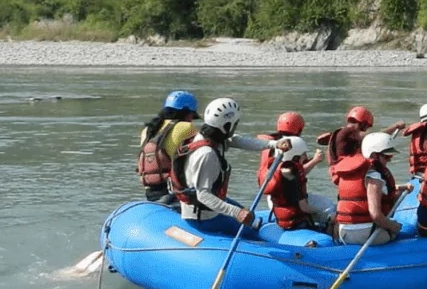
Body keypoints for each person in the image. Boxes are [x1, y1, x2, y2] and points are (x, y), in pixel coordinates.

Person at [168, 97, 291, 234]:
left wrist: (273, 144)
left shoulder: (211, 138)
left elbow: (239, 141)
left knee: (252, 219)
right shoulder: (207, 154)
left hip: (207, 207)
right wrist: (236, 212)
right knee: (251, 232)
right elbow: (203, 195)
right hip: (203, 218)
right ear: (227, 125)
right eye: (235, 123)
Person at [331, 132, 414, 245]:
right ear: (374, 156)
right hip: (366, 234)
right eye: (387, 156)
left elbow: (365, 192)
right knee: (395, 231)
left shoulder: (351, 172)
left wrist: (401, 187)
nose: (389, 160)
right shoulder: (374, 176)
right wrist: (394, 227)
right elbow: (376, 215)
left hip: (344, 233)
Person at [257, 111, 333, 225]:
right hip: (292, 205)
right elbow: (295, 175)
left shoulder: (272, 144)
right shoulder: (293, 147)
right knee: (328, 206)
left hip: (274, 200)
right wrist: (314, 161)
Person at [137, 90, 200, 202]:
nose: (191, 119)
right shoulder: (186, 127)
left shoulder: (148, 130)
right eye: (192, 115)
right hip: (173, 194)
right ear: (186, 112)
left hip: (150, 193)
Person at [263, 136, 328, 232]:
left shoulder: (278, 171)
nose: (306, 157)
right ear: (295, 157)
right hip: (296, 223)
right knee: (328, 208)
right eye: (303, 154)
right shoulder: (294, 178)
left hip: (281, 219)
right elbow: (304, 207)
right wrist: (321, 213)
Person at [323, 106, 405, 174]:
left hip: (343, 171)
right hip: (349, 171)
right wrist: (396, 126)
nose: (366, 129)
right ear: (362, 123)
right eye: (367, 126)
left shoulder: (344, 133)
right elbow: (376, 137)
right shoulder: (348, 132)